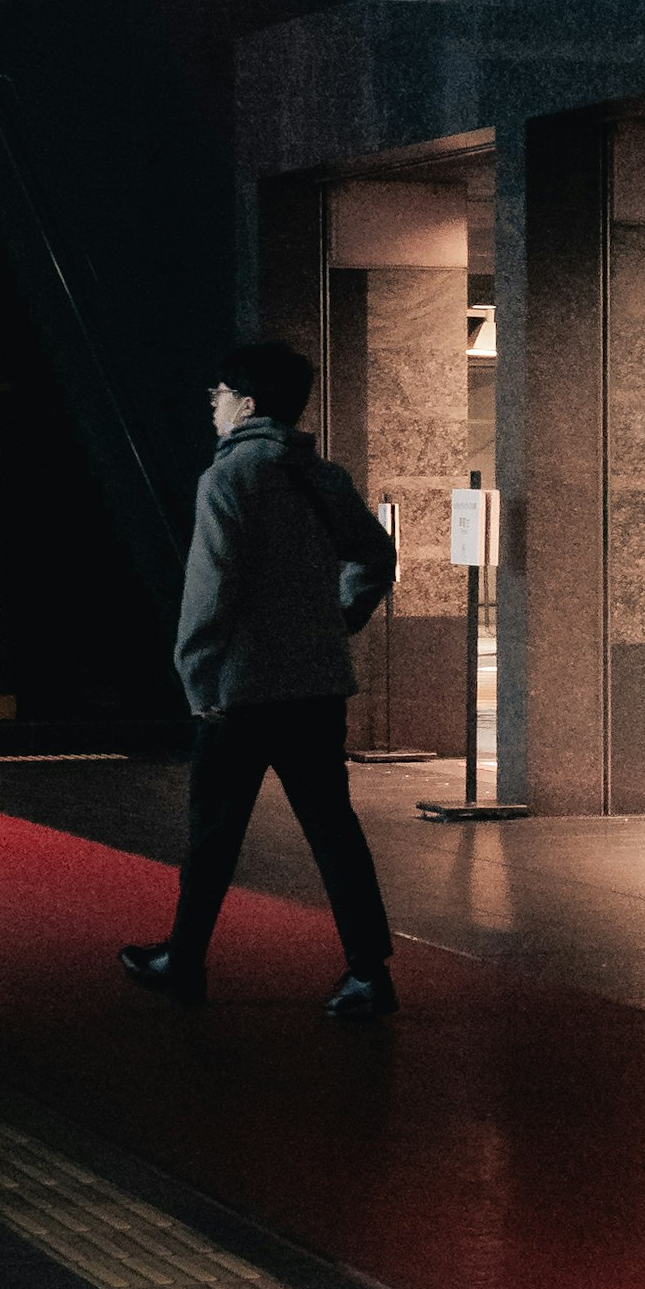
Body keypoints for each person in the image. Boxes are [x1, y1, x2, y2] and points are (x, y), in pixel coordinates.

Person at [119, 338, 401, 1019]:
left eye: (217, 396)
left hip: (240, 694)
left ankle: (183, 961)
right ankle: (369, 973)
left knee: (214, 834)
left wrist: (198, 682)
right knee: (334, 830)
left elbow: (207, 595)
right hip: (316, 690)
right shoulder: (320, 475)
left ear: (245, 405)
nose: (212, 407)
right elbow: (375, 553)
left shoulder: (228, 479)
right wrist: (336, 620)